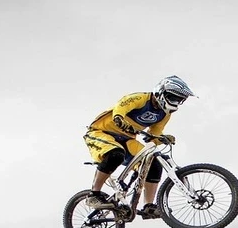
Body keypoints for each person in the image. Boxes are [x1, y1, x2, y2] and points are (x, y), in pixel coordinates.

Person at [83, 75, 195, 218]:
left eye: (179, 100)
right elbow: (120, 107)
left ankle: (148, 206)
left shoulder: (164, 114)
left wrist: (162, 138)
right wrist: (119, 119)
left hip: (128, 139)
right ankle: (94, 195)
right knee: (115, 154)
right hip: (101, 132)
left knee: (154, 162)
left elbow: (153, 136)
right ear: (162, 92)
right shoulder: (140, 98)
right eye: (173, 98)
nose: (176, 102)